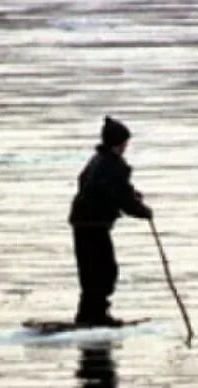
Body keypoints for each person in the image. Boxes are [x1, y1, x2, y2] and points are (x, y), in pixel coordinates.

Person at [68, 116, 153, 326]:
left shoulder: (98, 160)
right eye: (125, 142)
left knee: (91, 271)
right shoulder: (112, 165)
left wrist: (132, 195)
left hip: (82, 222)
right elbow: (121, 196)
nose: (126, 146)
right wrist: (144, 211)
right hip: (94, 224)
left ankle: (88, 313)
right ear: (119, 142)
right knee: (104, 271)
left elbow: (109, 189)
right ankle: (96, 315)